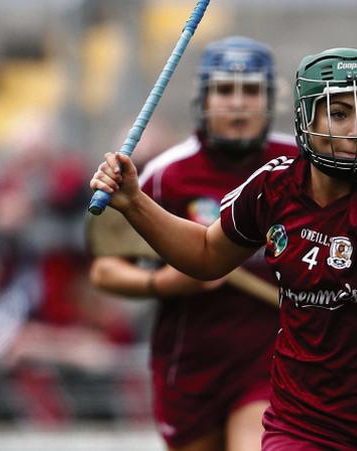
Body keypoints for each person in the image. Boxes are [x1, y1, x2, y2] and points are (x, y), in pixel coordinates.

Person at [90, 47, 357, 450]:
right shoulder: (273, 184)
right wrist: (134, 201)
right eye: (339, 114)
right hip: (299, 423)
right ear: (306, 119)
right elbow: (205, 253)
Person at [89, 36, 298, 451]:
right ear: (203, 100)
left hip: (275, 363)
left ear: (270, 100)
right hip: (190, 367)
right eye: (224, 90)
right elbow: (104, 270)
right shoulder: (164, 176)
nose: (237, 103)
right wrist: (166, 283)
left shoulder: (298, 168)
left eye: (251, 90)